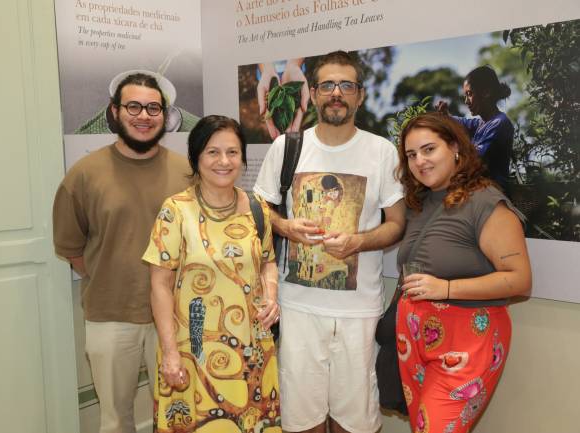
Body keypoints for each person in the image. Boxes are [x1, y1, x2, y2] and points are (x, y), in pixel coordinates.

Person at [254, 50, 405, 433]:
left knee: (355, 422)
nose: (336, 93)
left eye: (346, 85)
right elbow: (257, 212)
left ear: (360, 95)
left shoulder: (381, 152)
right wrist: (285, 227)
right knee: (301, 418)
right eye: (327, 85)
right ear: (313, 93)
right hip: (299, 308)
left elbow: (396, 225)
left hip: (358, 311)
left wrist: (358, 241)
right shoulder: (287, 148)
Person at [53, 73, 190, 433]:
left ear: (164, 114)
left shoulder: (187, 172)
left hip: (177, 318)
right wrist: (114, 279)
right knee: (116, 419)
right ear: (115, 112)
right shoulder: (84, 175)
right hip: (111, 318)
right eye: (133, 106)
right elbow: (73, 249)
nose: (143, 115)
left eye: (153, 108)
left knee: (182, 415)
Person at [143, 115, 282, 432]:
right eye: (212, 152)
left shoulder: (257, 209)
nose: (224, 161)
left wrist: (271, 295)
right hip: (194, 349)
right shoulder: (176, 210)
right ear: (196, 157)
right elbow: (159, 286)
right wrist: (169, 355)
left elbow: (266, 262)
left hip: (252, 348)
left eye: (232, 152)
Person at [395, 112, 531, 433]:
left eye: (429, 149)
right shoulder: (420, 202)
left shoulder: (486, 202)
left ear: (455, 147)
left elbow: (520, 280)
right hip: (414, 338)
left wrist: (445, 288)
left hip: (467, 341)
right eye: (411, 155)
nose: (419, 161)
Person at [436, 65, 514, 192]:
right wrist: (446, 116)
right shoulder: (480, 123)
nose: (466, 101)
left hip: (494, 195)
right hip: (479, 192)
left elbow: (473, 160)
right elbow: (459, 122)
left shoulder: (500, 124)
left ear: (486, 93)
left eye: (469, 94)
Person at [257, 58, 309, 139]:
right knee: (266, 94)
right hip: (267, 72)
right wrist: (266, 67)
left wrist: (294, 64)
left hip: (294, 71)